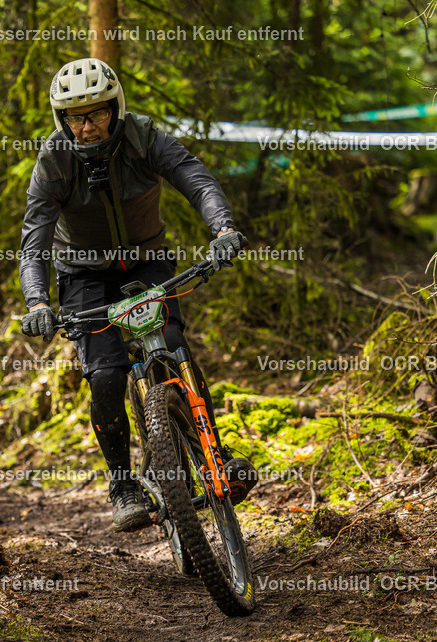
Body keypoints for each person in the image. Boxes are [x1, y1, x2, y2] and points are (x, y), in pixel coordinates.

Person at [18, 57, 257, 533]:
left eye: (97, 114)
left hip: (146, 262)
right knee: (105, 378)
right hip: (84, 277)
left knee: (173, 347)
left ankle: (216, 453)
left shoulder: (144, 136)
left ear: (116, 108)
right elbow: (35, 237)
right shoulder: (54, 159)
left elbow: (195, 177)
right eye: (75, 117)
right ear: (60, 118)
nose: (87, 127)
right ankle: (123, 483)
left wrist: (223, 227)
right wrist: (37, 302)